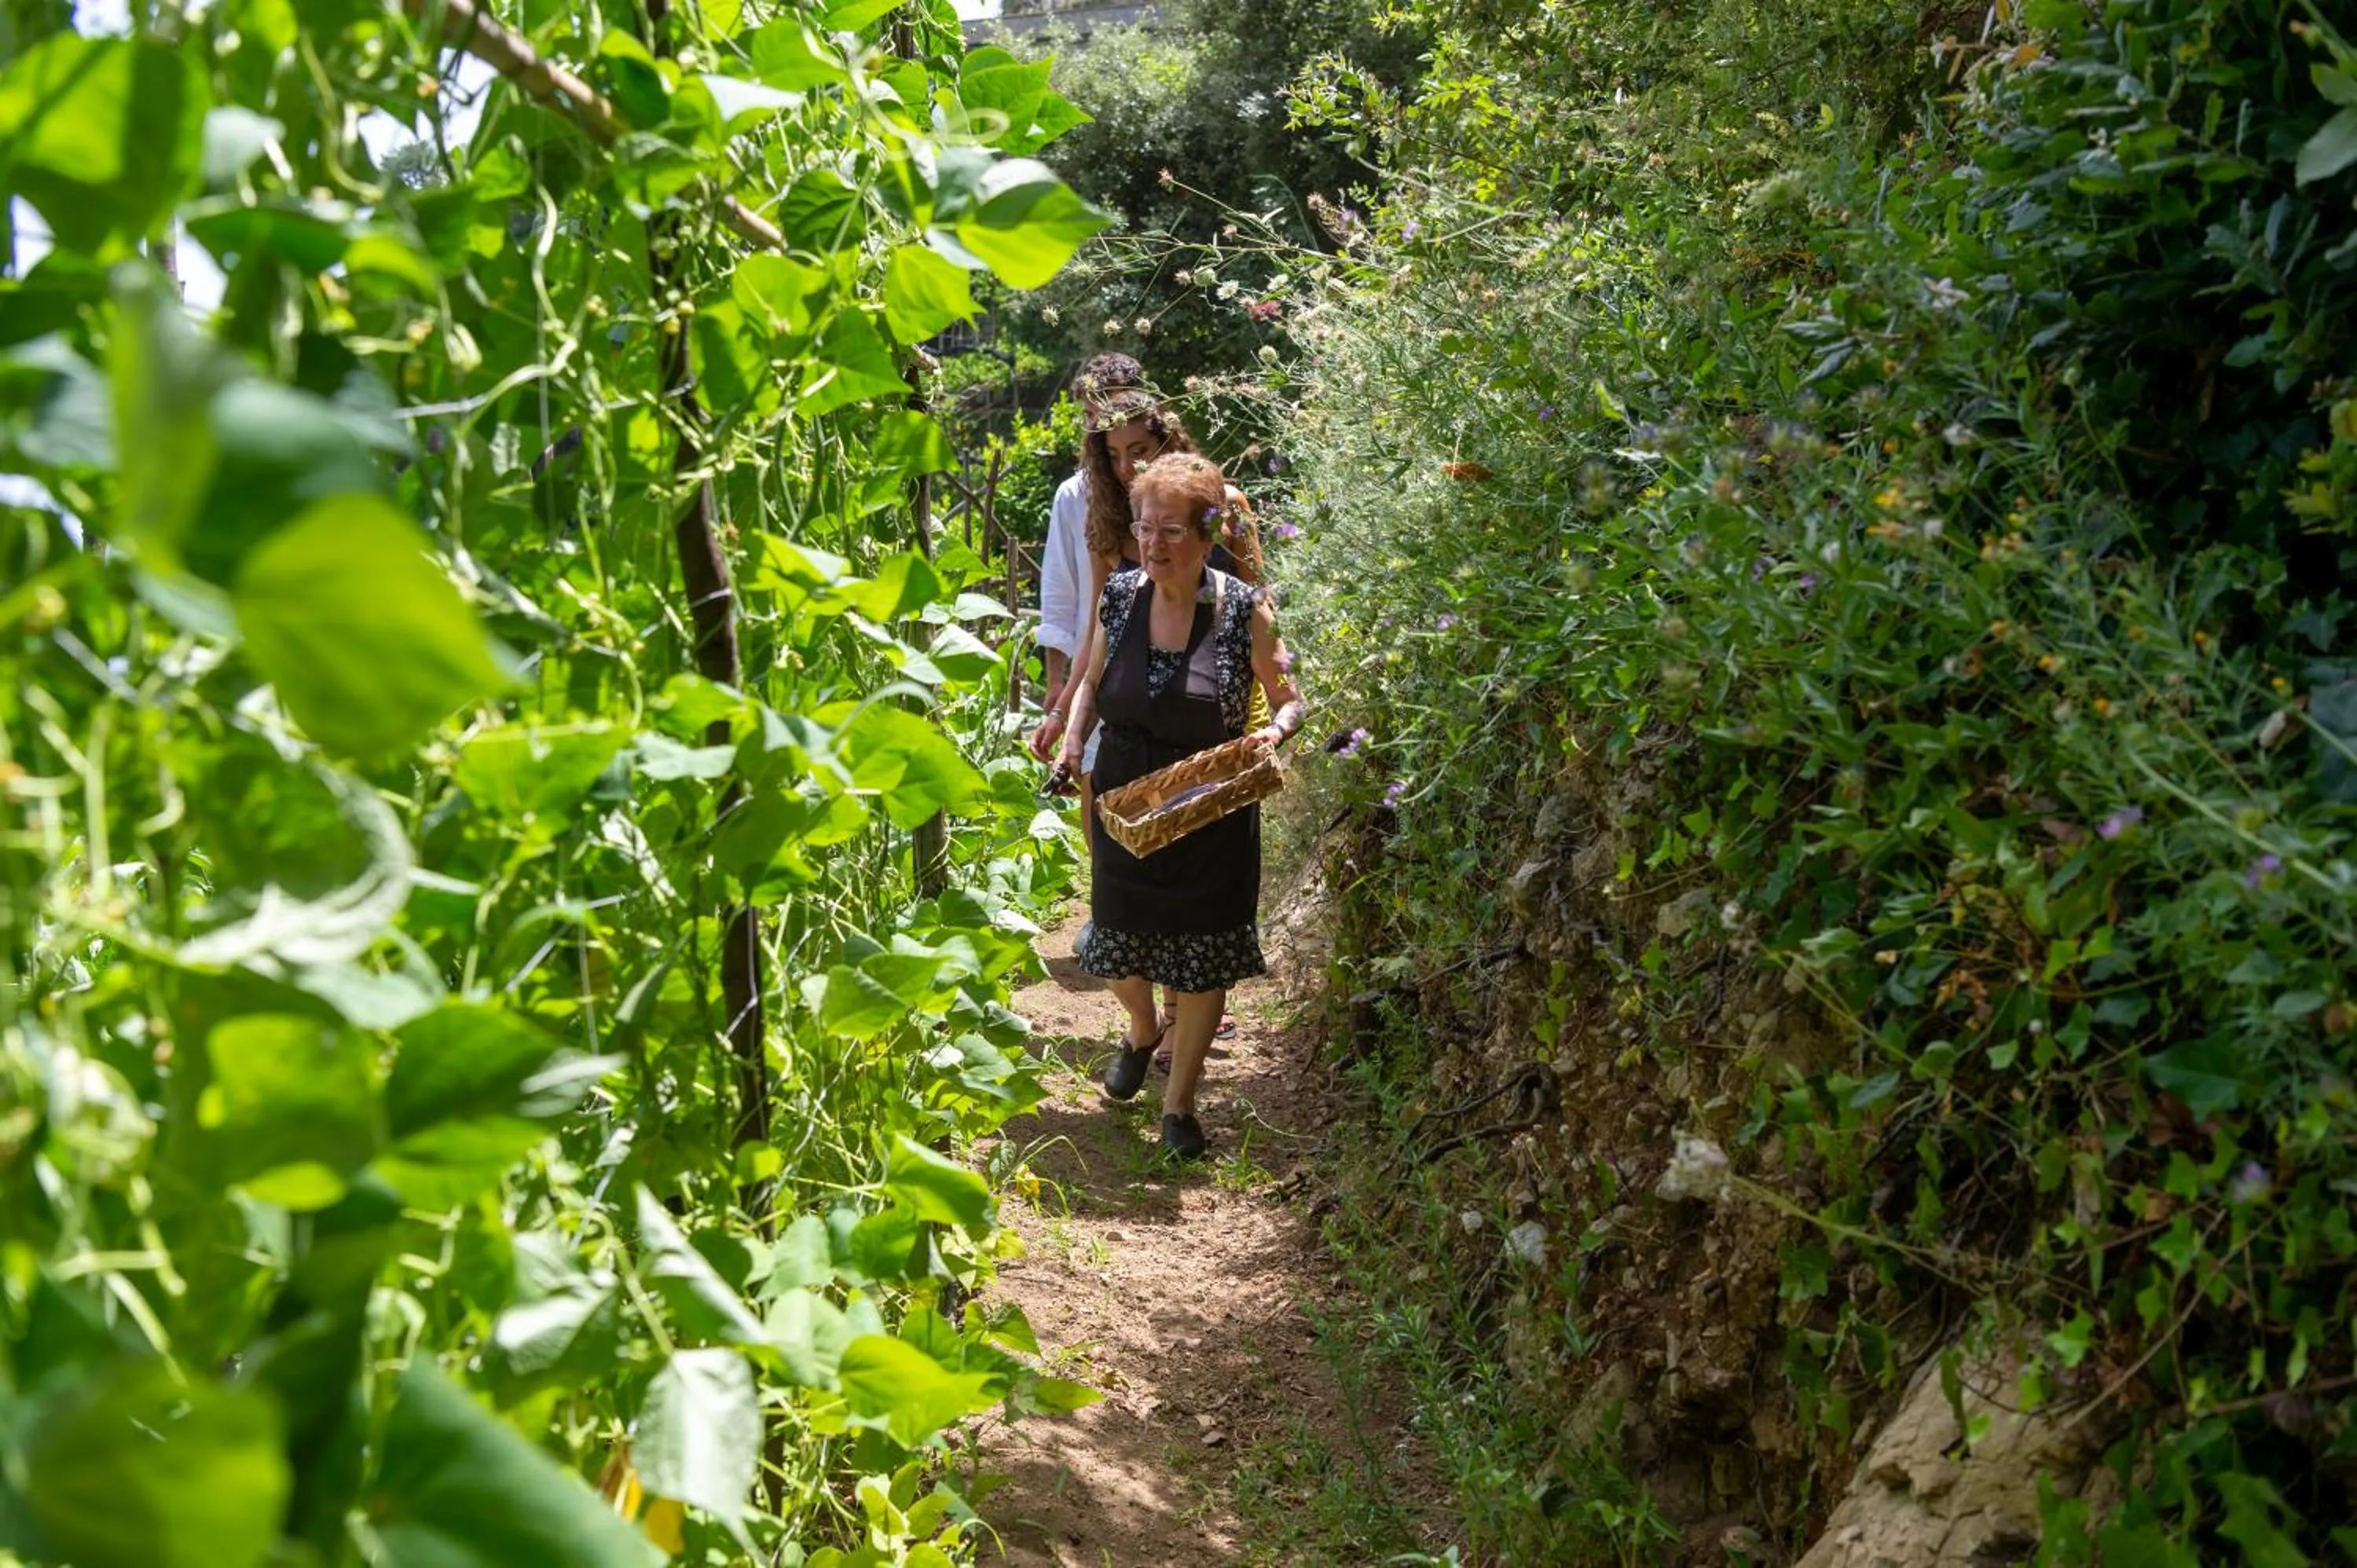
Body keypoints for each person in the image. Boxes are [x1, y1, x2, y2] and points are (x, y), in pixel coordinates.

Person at [1055, 452, 1307, 1160]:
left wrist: (1273, 733)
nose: (1152, 544)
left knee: (1202, 960)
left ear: (1205, 533)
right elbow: (1091, 681)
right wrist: (1075, 743)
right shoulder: (1121, 596)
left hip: (1211, 806)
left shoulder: (1244, 611)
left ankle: (1180, 1105)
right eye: (1143, 527)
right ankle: (1141, 1030)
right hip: (1128, 797)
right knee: (1115, 948)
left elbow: (1291, 698)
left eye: (1169, 530)